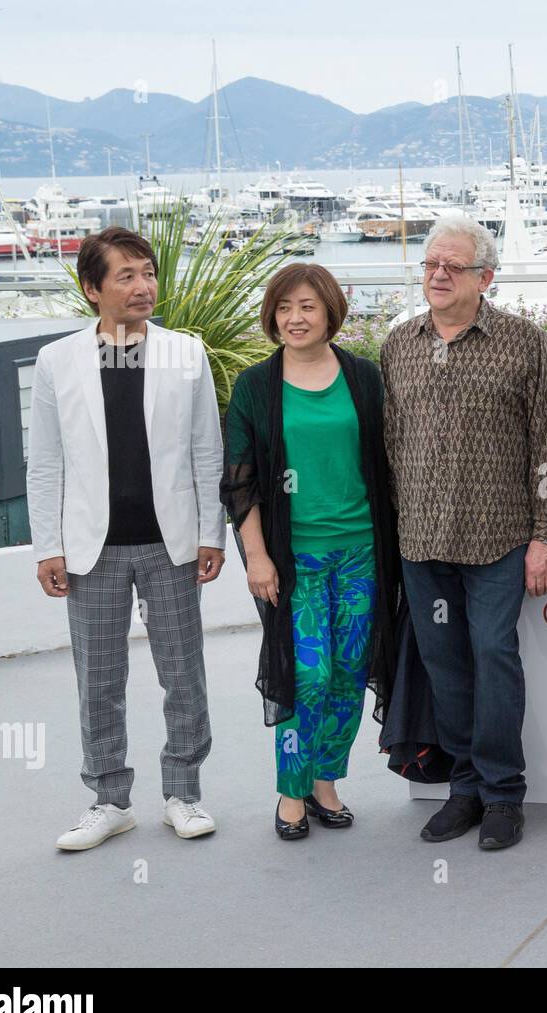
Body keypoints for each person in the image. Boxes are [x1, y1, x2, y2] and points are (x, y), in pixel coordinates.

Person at [27, 226, 225, 851]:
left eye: (149, 273)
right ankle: (109, 799)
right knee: (98, 680)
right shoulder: (57, 361)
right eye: (127, 277)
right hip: (91, 549)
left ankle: (184, 793)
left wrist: (210, 533)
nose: (144, 287)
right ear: (92, 289)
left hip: (170, 544)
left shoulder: (185, 352)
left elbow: (206, 451)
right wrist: (47, 546)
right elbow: (46, 463)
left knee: (183, 674)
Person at [381, 216, 547, 851]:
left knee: (494, 657)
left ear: (485, 277)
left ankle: (503, 794)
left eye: (453, 266)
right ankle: (462, 789)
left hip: (499, 537)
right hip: (420, 540)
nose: (438, 275)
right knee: (445, 665)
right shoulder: (398, 345)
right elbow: (388, 446)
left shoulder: (524, 342)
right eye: (431, 264)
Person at [221, 264, 401, 840]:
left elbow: (389, 462)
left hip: (362, 553)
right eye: (283, 308)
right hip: (291, 558)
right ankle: (290, 791)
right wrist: (256, 556)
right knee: (306, 675)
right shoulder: (255, 387)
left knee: (349, 672)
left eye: (307, 307)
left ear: (330, 313)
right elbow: (240, 481)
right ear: (272, 316)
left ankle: (326, 783)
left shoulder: (365, 378)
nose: (294, 318)